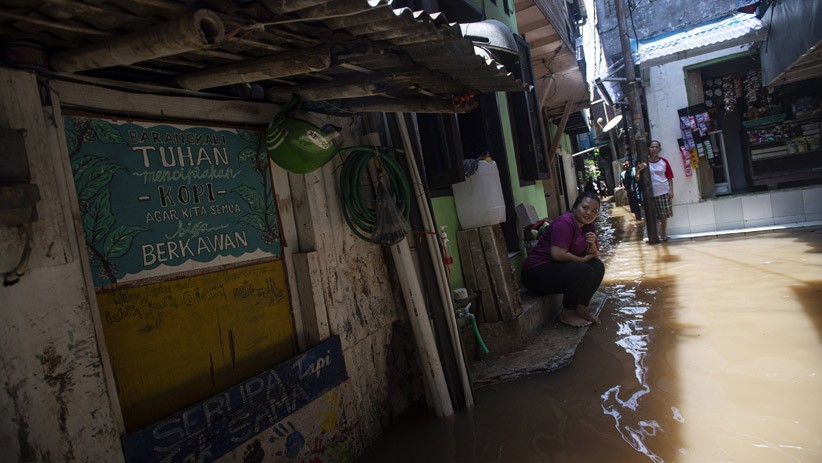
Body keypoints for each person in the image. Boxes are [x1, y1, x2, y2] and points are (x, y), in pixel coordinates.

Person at [521, 192, 605, 327]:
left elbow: (594, 255)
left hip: (557, 269)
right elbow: (558, 254)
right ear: (575, 207)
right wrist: (582, 260)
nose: (589, 213)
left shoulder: (589, 225)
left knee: (597, 266)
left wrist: (593, 245)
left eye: (594, 211)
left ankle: (581, 308)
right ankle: (567, 314)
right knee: (584, 270)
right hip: (535, 273)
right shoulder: (564, 223)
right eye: (585, 208)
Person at [636, 140, 674, 241]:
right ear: (648, 149)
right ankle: (656, 234)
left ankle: (664, 234)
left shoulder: (664, 162)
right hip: (650, 194)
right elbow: (637, 179)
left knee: (664, 215)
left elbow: (669, 177)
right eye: (652, 147)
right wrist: (638, 170)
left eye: (656, 147)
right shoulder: (644, 163)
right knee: (653, 216)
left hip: (663, 191)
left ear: (659, 149)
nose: (654, 149)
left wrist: (671, 190)